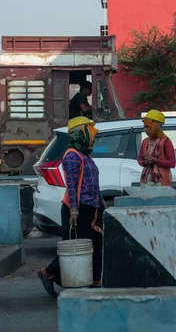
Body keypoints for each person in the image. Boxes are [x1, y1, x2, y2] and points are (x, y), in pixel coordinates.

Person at [37, 116, 104, 298]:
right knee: (76, 247)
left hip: (92, 208)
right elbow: (72, 186)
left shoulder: (84, 155)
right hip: (78, 209)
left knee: (96, 245)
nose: (93, 136)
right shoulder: (72, 155)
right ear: (79, 133)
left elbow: (93, 185)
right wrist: (74, 211)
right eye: (89, 132)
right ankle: (48, 273)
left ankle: (95, 282)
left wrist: (101, 205)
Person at [138, 110, 176, 186]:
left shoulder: (166, 142)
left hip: (161, 182)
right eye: (144, 127)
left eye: (147, 127)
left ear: (155, 125)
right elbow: (139, 159)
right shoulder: (145, 142)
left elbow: (172, 163)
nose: (145, 130)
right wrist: (145, 162)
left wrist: (155, 160)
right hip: (146, 181)